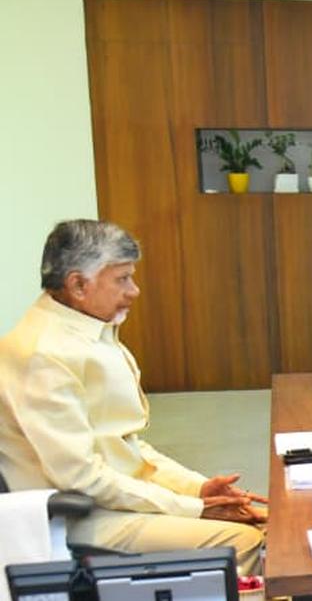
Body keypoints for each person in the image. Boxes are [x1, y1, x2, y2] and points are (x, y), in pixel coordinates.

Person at [0, 220, 265, 574]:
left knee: (261, 525)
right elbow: (81, 478)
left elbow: (126, 446)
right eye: (122, 279)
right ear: (78, 285)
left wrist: (197, 489)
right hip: (77, 518)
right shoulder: (43, 355)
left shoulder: (85, 331)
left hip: (107, 500)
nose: (134, 291)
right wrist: (192, 508)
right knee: (243, 541)